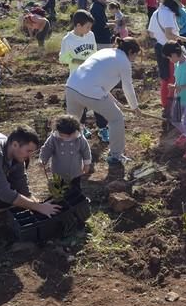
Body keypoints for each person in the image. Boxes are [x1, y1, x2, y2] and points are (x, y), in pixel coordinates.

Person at [66, 37, 141, 165]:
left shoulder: (106, 51)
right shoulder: (124, 62)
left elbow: (101, 84)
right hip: (89, 91)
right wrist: (135, 107)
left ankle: (67, 154)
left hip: (72, 87)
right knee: (116, 118)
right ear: (130, 52)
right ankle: (116, 156)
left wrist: (116, 103)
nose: (134, 59)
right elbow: (127, 87)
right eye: (135, 55)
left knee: (72, 124)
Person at [60, 10, 108, 141]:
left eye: (90, 27)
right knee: (80, 104)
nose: (89, 30)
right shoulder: (68, 40)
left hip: (92, 75)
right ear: (78, 25)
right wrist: (76, 61)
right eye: (87, 27)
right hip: (77, 77)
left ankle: (103, 129)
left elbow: (94, 52)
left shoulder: (90, 35)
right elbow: (62, 58)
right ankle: (81, 127)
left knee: (98, 100)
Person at [149, 0, 186, 115]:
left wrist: (161, 39)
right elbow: (169, 34)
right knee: (173, 77)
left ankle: (166, 105)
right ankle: (172, 107)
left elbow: (151, 33)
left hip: (159, 47)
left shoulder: (156, 13)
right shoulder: (168, 14)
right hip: (170, 49)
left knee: (165, 77)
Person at [39, 114, 91, 194]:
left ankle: (76, 197)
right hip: (58, 170)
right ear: (58, 131)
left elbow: (85, 151)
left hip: (75, 169)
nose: (68, 138)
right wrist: (43, 159)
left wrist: (86, 164)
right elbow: (47, 149)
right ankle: (59, 198)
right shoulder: (54, 138)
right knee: (59, 186)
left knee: (75, 186)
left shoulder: (80, 138)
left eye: (70, 136)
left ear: (76, 131)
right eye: (64, 136)